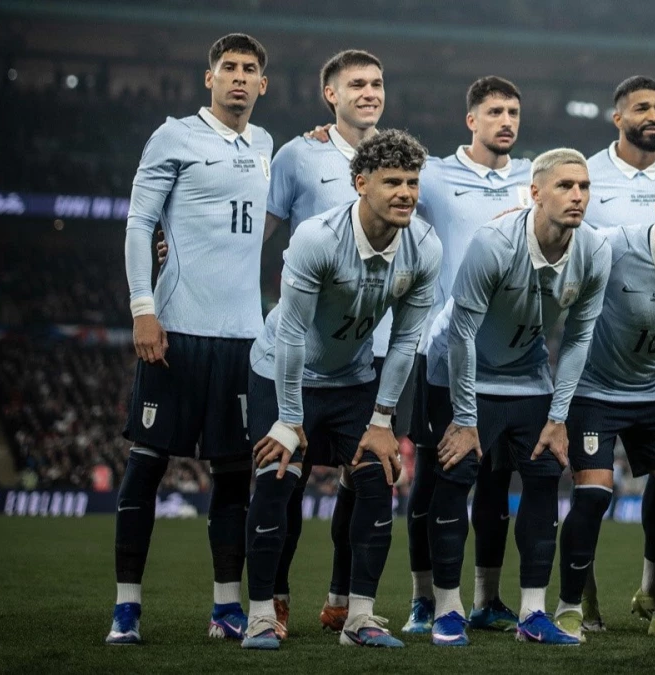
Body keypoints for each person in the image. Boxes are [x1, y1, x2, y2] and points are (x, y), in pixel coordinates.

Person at [240, 129, 440, 650]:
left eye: (412, 182)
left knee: (377, 480)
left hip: (353, 379)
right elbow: (289, 334)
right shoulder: (316, 238)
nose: (405, 193)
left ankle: (359, 618)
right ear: (360, 183)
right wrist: (287, 418)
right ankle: (261, 614)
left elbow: (405, 342)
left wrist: (382, 421)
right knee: (277, 479)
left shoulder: (424, 246)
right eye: (392, 181)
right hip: (283, 373)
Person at [108, 33, 273, 646]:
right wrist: (143, 307)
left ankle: (226, 607)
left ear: (263, 85)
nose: (237, 77)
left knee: (234, 477)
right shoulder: (173, 134)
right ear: (210, 78)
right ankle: (127, 607)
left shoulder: (265, 145)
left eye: (248, 69)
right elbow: (139, 223)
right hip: (175, 329)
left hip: (242, 339)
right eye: (227, 67)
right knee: (146, 466)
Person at [422, 148, 611, 646]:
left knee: (545, 473)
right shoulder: (493, 243)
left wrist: (559, 416)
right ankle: (447, 609)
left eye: (585, 186)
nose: (578, 196)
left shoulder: (594, 250)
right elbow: (461, 334)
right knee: (455, 474)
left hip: (527, 374)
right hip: (459, 368)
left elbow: (577, 339)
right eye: (566, 185)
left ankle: (532, 614)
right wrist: (465, 419)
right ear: (535, 193)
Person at [553, 165, 655, 642]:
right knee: (594, 494)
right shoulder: (611, 245)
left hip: (652, 393)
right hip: (594, 392)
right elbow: (556, 250)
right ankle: (570, 606)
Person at [402, 76, 534, 635]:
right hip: (441, 350)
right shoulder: (432, 175)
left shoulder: (535, 179)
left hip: (509, 357)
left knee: (497, 481)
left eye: (514, 112)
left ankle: (486, 599)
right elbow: (371, 189)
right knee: (433, 476)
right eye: (495, 111)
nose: (507, 120)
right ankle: (424, 600)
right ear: (471, 121)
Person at [263, 48, 386, 638]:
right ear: (329, 95)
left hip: (376, 350)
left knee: (365, 482)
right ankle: (276, 597)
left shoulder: (401, 158)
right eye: (356, 84)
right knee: (284, 483)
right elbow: (260, 239)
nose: (369, 92)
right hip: (303, 350)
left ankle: (343, 599)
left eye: (377, 83)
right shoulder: (297, 155)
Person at [580, 75, 655, 628]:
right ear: (616, 116)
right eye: (642, 106)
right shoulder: (587, 176)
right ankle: (585, 595)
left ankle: (651, 590)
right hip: (599, 353)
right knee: (591, 485)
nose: (654, 114)